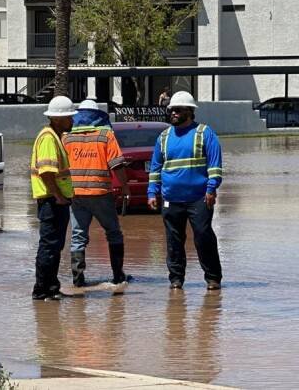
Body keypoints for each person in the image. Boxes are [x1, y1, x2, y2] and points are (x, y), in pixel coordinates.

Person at [147, 91, 223, 290]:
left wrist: (211, 189)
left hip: (199, 198)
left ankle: (213, 278)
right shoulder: (163, 137)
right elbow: (155, 167)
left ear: (190, 112)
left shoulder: (204, 133)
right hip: (170, 198)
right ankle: (176, 280)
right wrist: (151, 192)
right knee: (173, 240)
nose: (173, 113)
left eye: (178, 110)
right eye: (171, 109)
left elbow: (215, 166)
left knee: (203, 236)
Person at [62, 99, 131, 287]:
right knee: (114, 233)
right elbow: (117, 165)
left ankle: (78, 280)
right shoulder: (105, 135)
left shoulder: (66, 137)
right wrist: (125, 186)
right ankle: (118, 276)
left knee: (77, 236)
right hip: (101, 193)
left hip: (76, 195)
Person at [31, 96, 77, 301]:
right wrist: (58, 196)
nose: (72, 121)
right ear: (58, 119)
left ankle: (51, 287)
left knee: (54, 246)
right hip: (51, 201)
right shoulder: (49, 138)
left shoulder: (54, 136)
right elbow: (46, 172)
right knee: (49, 246)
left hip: (55, 200)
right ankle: (42, 290)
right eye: (69, 117)